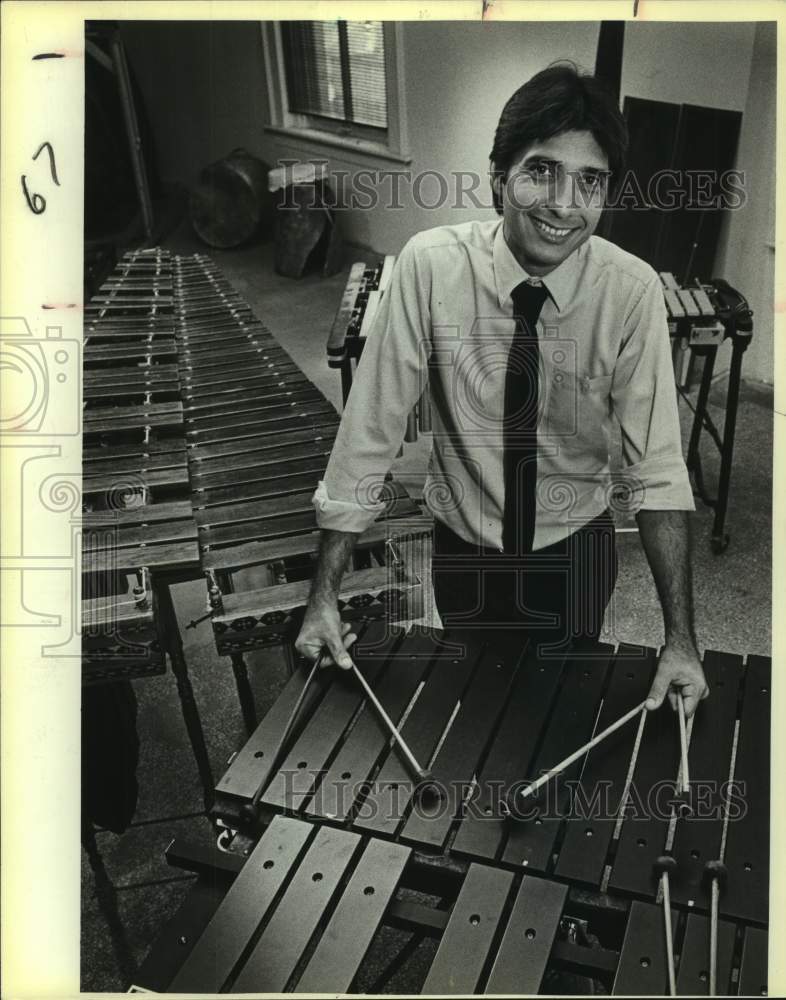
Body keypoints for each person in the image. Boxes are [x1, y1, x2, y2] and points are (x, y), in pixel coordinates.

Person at [295, 63, 708, 718]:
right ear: (498, 177)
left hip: (575, 555)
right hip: (466, 550)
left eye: (589, 181)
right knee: (472, 719)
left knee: (555, 724)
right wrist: (324, 595)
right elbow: (368, 434)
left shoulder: (631, 294)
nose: (563, 204)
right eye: (541, 170)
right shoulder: (429, 269)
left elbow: (656, 470)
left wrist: (681, 641)